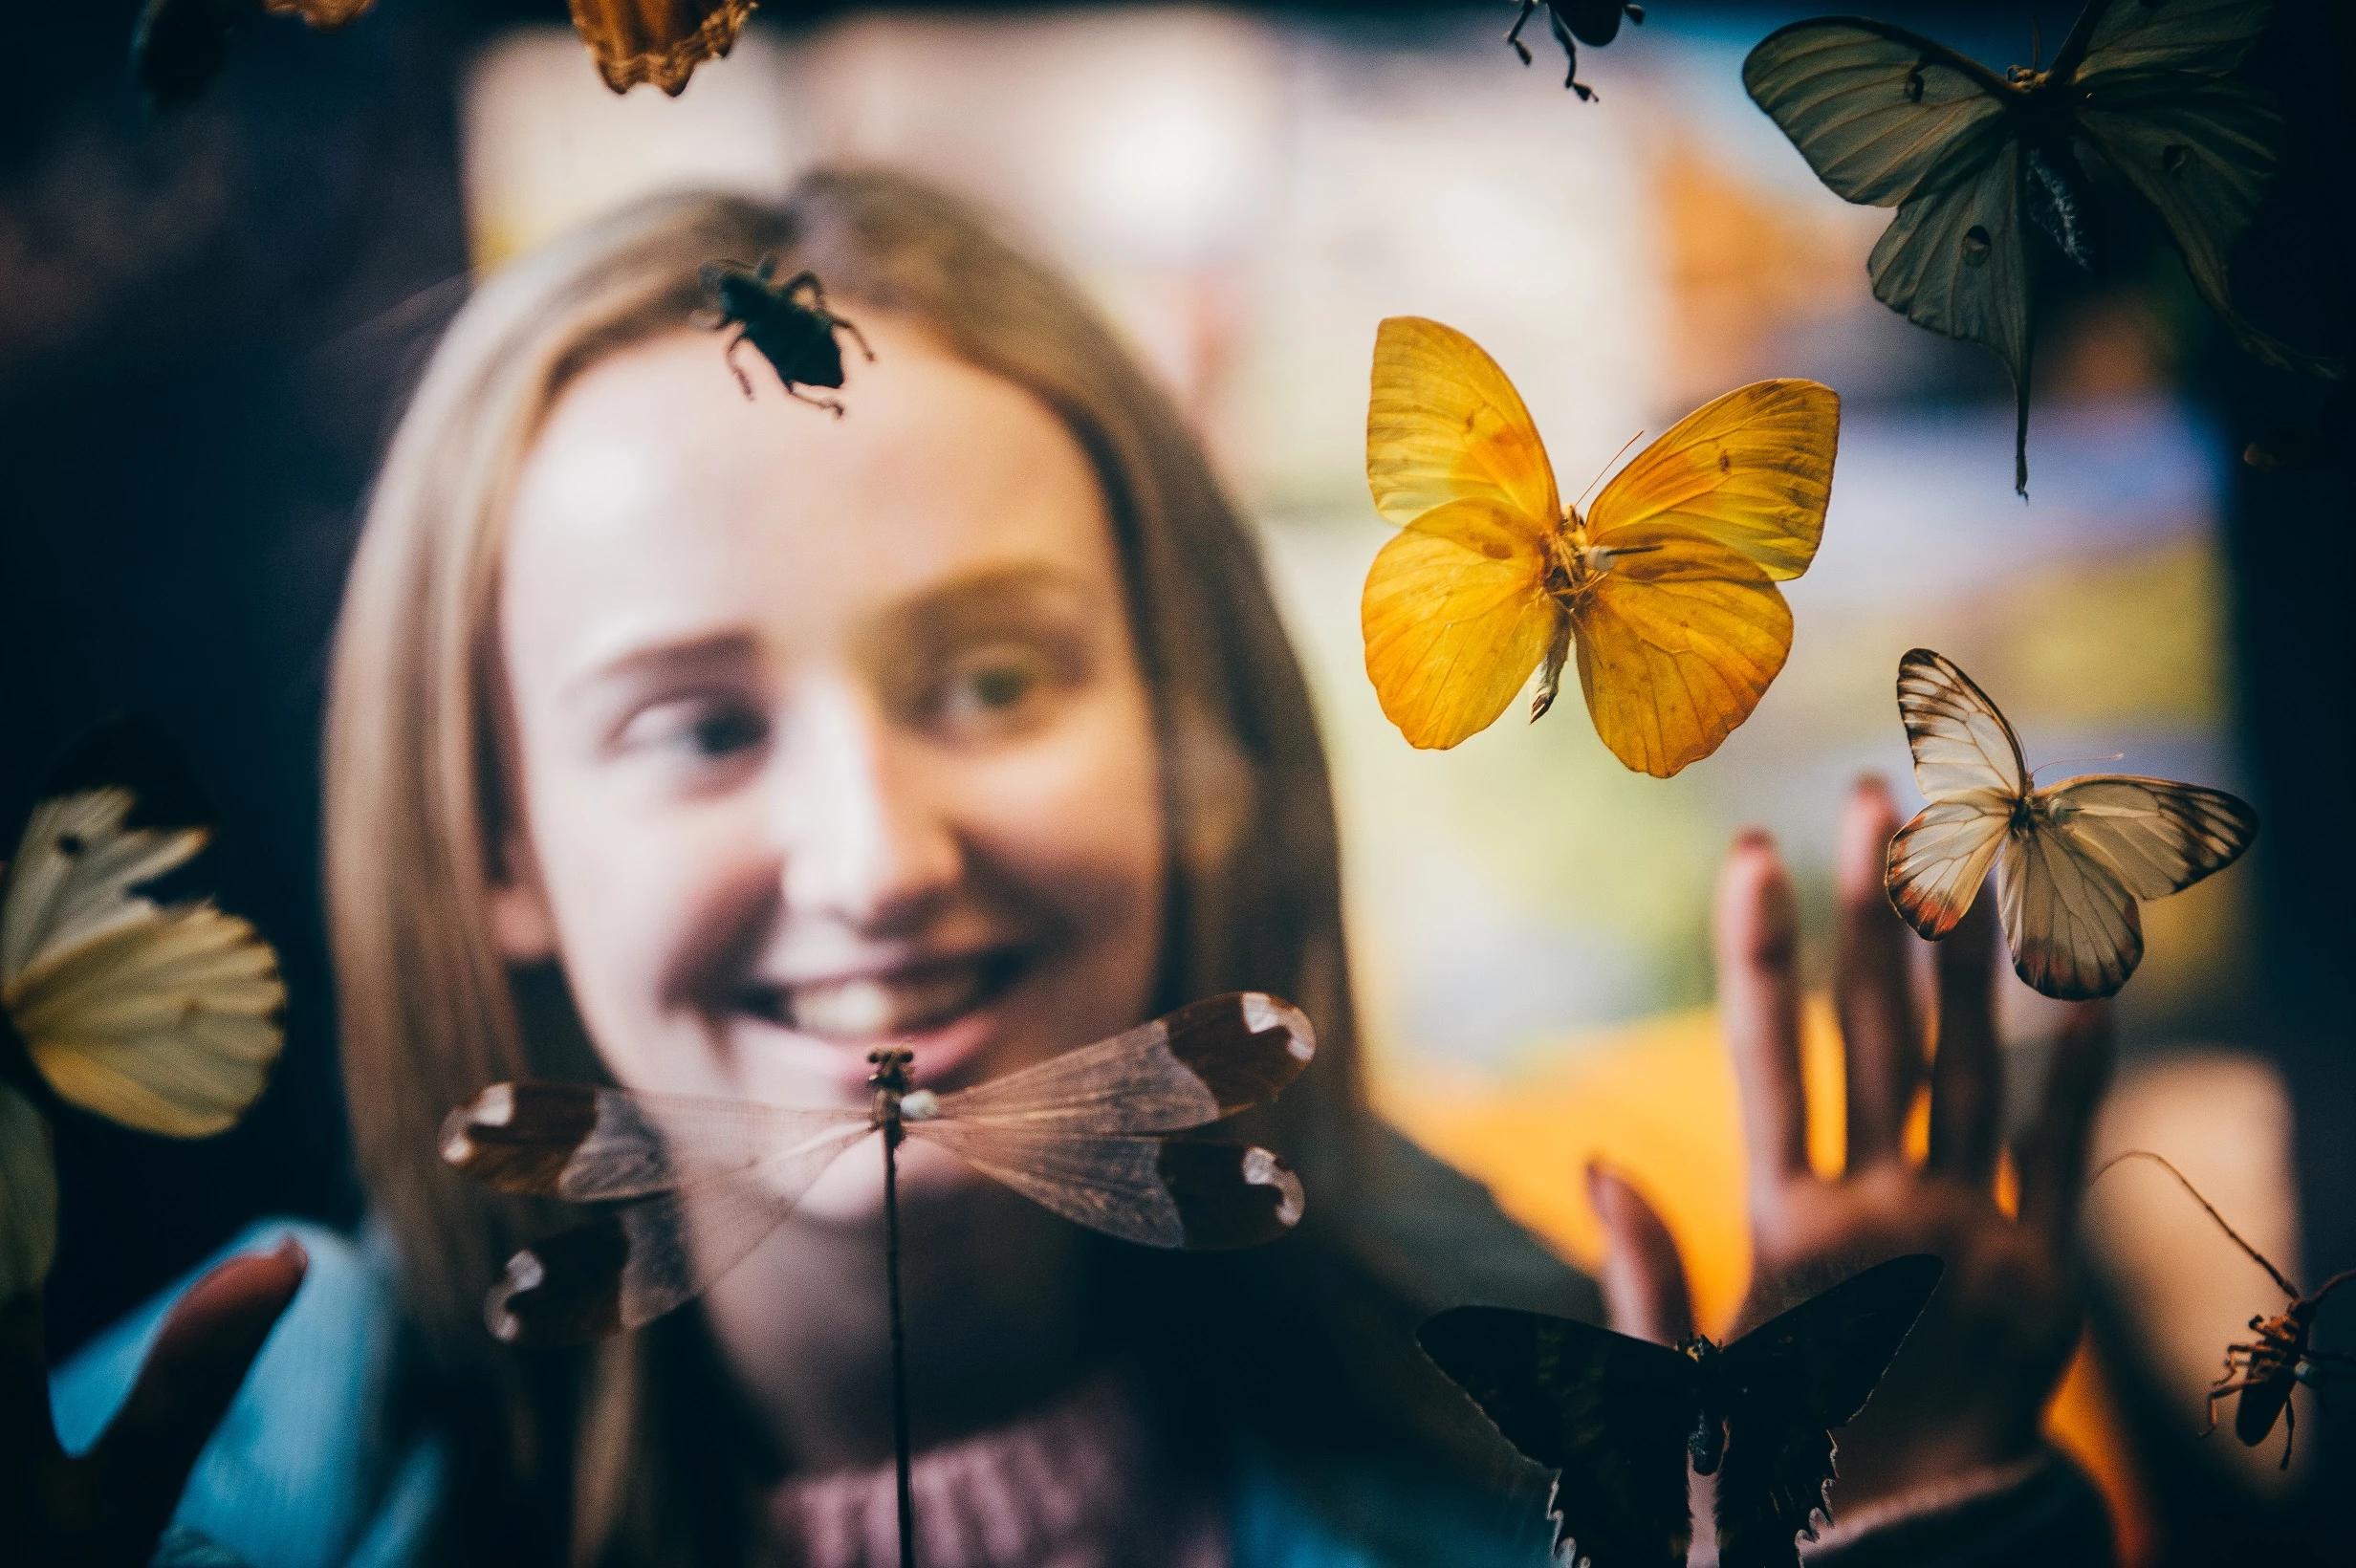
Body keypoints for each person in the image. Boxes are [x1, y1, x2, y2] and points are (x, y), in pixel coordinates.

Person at [10, 171, 2116, 1568]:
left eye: (995, 676)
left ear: (1188, 723)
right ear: (496, 846)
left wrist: (1899, 1513)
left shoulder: (1558, 1444)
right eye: (697, 725)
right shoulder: (185, 1488)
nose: (876, 858)